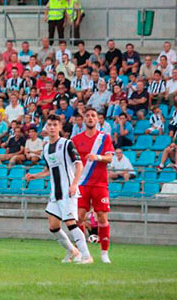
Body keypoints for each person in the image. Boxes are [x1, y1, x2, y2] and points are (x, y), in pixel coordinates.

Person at [26, 115, 93, 264]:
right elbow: (48, 169)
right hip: (55, 193)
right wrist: (35, 176)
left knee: (70, 223)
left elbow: (79, 164)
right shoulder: (46, 148)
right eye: (49, 124)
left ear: (60, 127)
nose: (51, 127)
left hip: (68, 191)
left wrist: (75, 184)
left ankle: (87, 256)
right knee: (53, 226)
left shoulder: (67, 144)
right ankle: (73, 252)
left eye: (55, 124)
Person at [72, 106, 114, 264]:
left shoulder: (104, 138)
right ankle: (84, 252)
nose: (90, 118)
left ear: (97, 119)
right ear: (84, 119)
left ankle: (104, 253)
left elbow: (110, 159)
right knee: (79, 218)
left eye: (93, 116)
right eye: (87, 115)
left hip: (100, 184)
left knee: (102, 217)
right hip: (82, 183)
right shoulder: (76, 139)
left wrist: (98, 157)